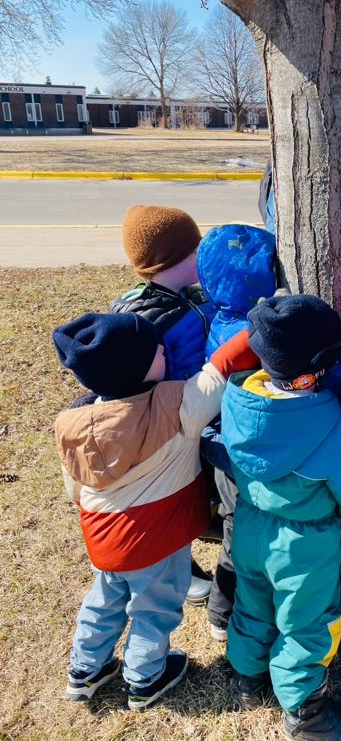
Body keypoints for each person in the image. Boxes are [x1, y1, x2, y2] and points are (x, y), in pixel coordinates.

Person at [52, 312, 257, 710]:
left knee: (105, 598)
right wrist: (262, 324)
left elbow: (74, 490)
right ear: (141, 368)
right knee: (153, 608)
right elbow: (221, 368)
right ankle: (145, 678)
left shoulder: (72, 423)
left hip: (103, 539)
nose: (165, 350)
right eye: (157, 351)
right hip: (155, 540)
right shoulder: (177, 406)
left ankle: (85, 669)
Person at [214, 294, 341, 741]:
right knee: (306, 623)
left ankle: (247, 678)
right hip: (304, 546)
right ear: (314, 373)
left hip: (248, 528)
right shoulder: (332, 427)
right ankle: (306, 713)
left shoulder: (239, 401)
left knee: (252, 603)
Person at [110, 204, 216, 604]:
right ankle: (180, 567)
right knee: (168, 499)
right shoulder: (148, 318)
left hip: (193, 407)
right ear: (176, 258)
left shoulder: (187, 296)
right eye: (196, 250)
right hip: (168, 422)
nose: (201, 255)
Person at [195, 223, 277, 641]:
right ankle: (223, 612)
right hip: (248, 447)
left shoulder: (209, 320)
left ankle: (223, 611)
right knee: (239, 527)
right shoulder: (262, 332)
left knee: (234, 524)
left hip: (223, 445)